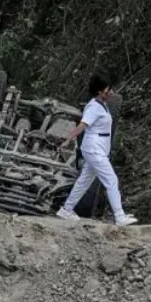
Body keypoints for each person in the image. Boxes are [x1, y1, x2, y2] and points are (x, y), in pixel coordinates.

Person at [56, 74, 136, 226]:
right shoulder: (93, 107)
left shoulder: (102, 105)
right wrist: (68, 139)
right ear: (100, 91)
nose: (111, 92)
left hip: (97, 147)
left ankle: (66, 209)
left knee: (84, 181)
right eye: (108, 89)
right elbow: (82, 125)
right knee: (111, 180)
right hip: (94, 149)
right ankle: (119, 216)